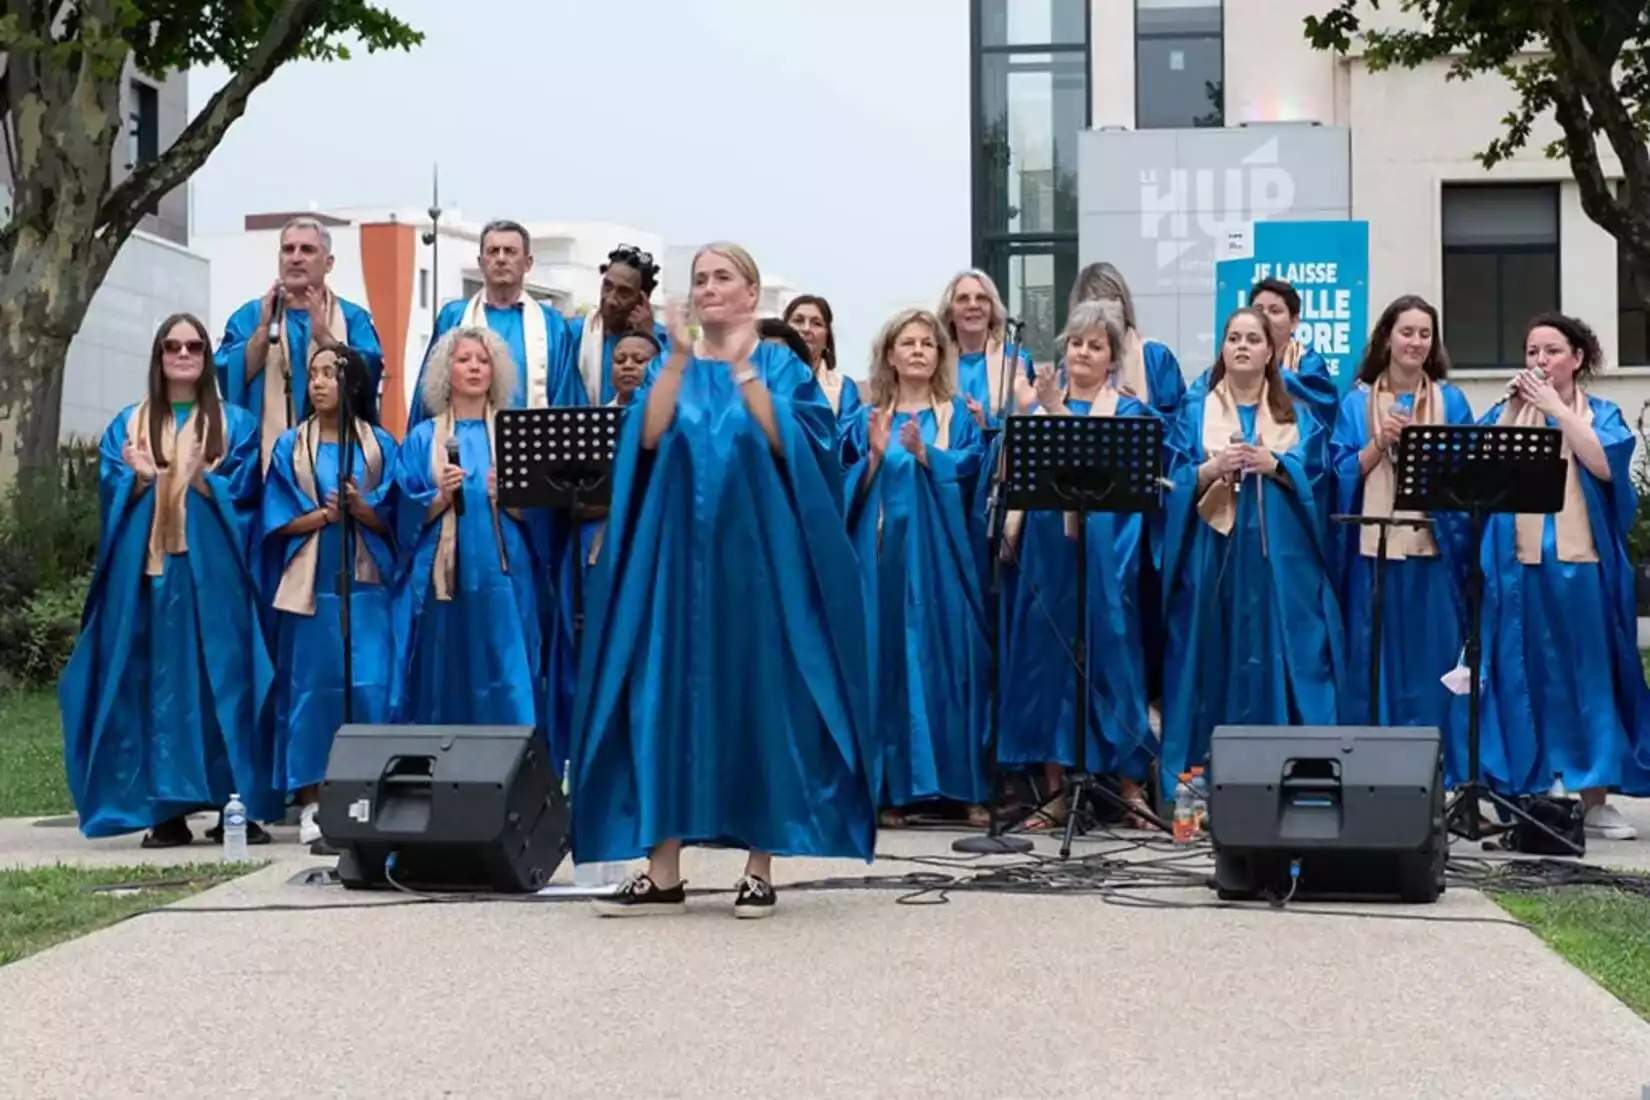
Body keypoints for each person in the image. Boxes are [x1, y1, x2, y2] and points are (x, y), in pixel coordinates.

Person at [573, 242, 877, 919]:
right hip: (675, 569)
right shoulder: (670, 368)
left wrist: (742, 370)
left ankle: (760, 863)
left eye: (722, 279)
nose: (708, 288)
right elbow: (645, 442)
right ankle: (663, 868)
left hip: (759, 569)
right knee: (663, 699)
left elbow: (794, 447)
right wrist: (677, 356)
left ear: (750, 294)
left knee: (760, 701)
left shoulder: (778, 366)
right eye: (700, 279)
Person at [60, 314, 278, 846]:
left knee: (225, 685)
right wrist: (133, 480)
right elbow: (110, 493)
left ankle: (239, 806)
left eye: (195, 346)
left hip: (217, 578)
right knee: (159, 691)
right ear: (159, 356)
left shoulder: (236, 423)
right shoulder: (128, 424)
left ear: (207, 357)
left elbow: (249, 494)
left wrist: (209, 481)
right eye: (172, 346)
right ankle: (167, 812)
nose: (183, 354)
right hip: (153, 579)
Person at [1471, 313, 1643, 839]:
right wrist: (1516, 412)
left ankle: (1595, 800)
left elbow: (1606, 466)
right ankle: (1540, 789)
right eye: (1531, 352)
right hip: (1521, 567)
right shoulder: (1508, 412)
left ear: (1577, 359)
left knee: (1590, 678)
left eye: (1551, 351)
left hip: (1581, 565)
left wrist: (1556, 410)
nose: (1539, 361)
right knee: (1528, 677)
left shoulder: (1602, 412)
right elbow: (1479, 472)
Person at [1158, 307, 1342, 796]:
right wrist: (1210, 468)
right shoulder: (1194, 411)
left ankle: (1287, 778)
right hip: (1212, 558)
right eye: (1233, 337)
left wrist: (1277, 463)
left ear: (1270, 351)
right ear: (1222, 349)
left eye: (1253, 339)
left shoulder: (1294, 414)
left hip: (1277, 565)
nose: (1242, 346)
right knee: (1208, 661)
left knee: (1282, 662)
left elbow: (1321, 477)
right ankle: (1199, 787)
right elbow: (1170, 482)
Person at [995, 300, 1159, 829]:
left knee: (1113, 666)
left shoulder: (1128, 412)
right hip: (1047, 555)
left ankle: (1131, 789)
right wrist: (1029, 414)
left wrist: (1056, 410)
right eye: (1076, 342)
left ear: (1112, 358)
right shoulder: (1039, 406)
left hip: (1103, 556)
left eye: (1096, 345)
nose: (1083, 352)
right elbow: (1012, 476)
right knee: (1047, 667)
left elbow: (1118, 480)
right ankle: (1054, 794)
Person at [840, 308, 989, 828]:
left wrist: (931, 456)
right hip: (885, 559)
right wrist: (875, 459)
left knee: (954, 657)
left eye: (929, 343)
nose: (920, 350)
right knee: (891, 660)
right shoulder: (866, 419)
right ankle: (892, 790)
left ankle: (963, 786)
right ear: (890, 354)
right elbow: (843, 486)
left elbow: (977, 474)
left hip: (943, 557)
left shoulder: (957, 416)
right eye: (909, 343)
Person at [260, 346, 399, 846]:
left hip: (368, 588)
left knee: (372, 686)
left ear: (353, 384)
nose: (318, 383)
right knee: (313, 692)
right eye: (313, 374)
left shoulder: (379, 445)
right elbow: (275, 519)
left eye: (329, 374)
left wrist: (362, 509)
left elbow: (398, 518)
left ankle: (375, 793)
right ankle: (313, 801)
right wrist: (325, 515)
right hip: (313, 589)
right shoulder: (290, 448)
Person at [1329, 296, 1472, 750]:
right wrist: (1379, 441)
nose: (1415, 342)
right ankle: (1374, 761)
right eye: (1406, 332)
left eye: (1424, 334)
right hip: (1374, 553)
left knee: (1434, 661)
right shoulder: (1355, 403)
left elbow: (1470, 478)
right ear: (1387, 337)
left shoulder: (1451, 401)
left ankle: (1440, 768)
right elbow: (1339, 472)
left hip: (1434, 551)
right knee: (1374, 661)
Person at [390, 327, 547, 737]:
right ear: (446, 370)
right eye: (464, 359)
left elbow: (546, 515)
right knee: (445, 670)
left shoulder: (516, 434)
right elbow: (400, 512)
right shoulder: (425, 437)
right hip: (441, 578)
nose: (475, 367)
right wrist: (437, 498)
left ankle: (513, 765)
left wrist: (511, 499)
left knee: (507, 666)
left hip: (503, 572)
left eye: (483, 360)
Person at [215, 216, 383, 470]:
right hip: (262, 463)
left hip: (333, 466)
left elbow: (368, 378)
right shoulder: (250, 315)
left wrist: (326, 338)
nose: (295, 258)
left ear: (328, 263)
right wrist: (262, 332)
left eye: (307, 250)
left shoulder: (351, 318)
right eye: (288, 249)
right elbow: (226, 377)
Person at [408, 218, 578, 425]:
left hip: (533, 444)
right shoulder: (454, 317)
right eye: (493, 251)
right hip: (465, 444)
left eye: (510, 251)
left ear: (528, 263)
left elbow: (567, 396)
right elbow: (431, 389)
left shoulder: (553, 325)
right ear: (481, 263)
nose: (501, 259)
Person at [1188, 278, 1338, 433]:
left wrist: (1259, 376)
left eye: (1275, 311)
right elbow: (1191, 411)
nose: (1265, 317)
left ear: (1294, 322)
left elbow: (1323, 412)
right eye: (1258, 310)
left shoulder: (1307, 362)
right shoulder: (1227, 366)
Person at [1067, 262, 1185, 417]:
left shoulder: (1155, 357)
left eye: (1109, 304)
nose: (1102, 314)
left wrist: (1140, 412)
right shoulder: (1074, 362)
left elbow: (1181, 425)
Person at [565, 244, 670, 405]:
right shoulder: (573, 333)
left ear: (642, 299)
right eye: (607, 287)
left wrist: (648, 338)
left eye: (624, 292)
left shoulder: (663, 340)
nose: (611, 299)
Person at [938, 269, 1033, 427]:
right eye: (963, 299)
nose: (973, 305)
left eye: (981, 298)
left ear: (992, 309)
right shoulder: (937, 362)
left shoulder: (1016, 359)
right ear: (949, 312)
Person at [782, 295, 862, 421]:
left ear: (827, 339)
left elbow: (848, 437)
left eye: (816, 323)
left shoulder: (842, 388)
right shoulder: (763, 379)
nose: (806, 329)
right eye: (798, 321)